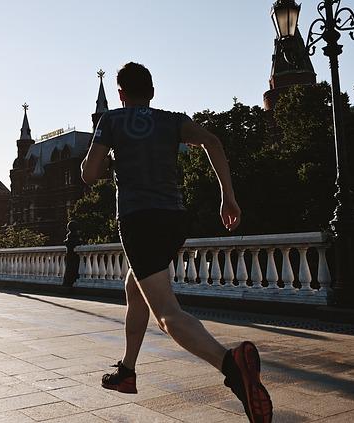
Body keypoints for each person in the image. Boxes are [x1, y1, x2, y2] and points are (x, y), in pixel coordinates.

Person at [81, 62, 272, 423]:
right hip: (173, 219)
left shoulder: (112, 121)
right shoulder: (172, 120)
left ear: (120, 95)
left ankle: (232, 366)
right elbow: (212, 141)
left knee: (166, 313)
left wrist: (106, 157)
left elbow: (89, 175)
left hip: (139, 220)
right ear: (151, 93)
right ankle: (127, 370)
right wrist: (228, 197)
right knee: (135, 287)